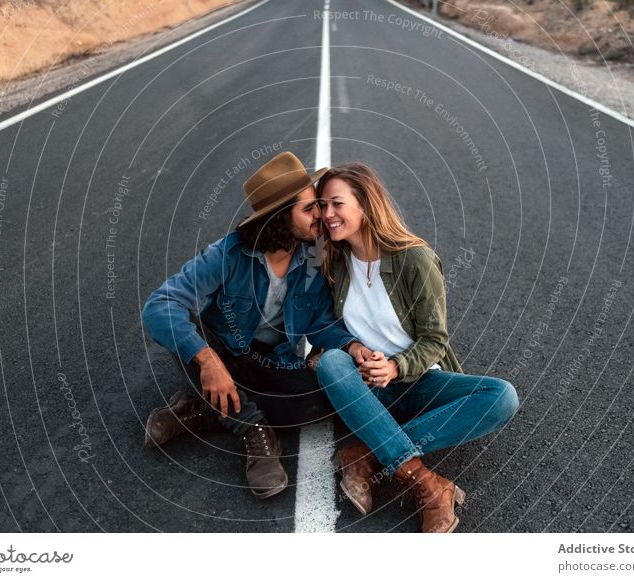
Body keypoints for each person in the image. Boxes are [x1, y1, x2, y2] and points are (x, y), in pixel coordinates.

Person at [142, 152, 369, 499]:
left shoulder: (313, 261)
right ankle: (256, 432)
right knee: (184, 328)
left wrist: (351, 347)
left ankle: (203, 411)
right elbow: (158, 305)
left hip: (273, 361)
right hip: (224, 352)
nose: (321, 216)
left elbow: (322, 324)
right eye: (309, 209)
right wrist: (207, 360)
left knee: (324, 396)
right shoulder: (226, 254)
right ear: (280, 217)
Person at [314, 163, 519, 533]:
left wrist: (395, 367)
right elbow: (327, 327)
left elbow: (435, 339)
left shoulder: (415, 259)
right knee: (331, 363)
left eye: (336, 204)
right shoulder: (336, 261)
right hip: (368, 391)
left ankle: (367, 453)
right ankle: (428, 485)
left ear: (364, 204)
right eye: (322, 205)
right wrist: (353, 345)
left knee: (502, 396)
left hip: (418, 383)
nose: (328, 214)